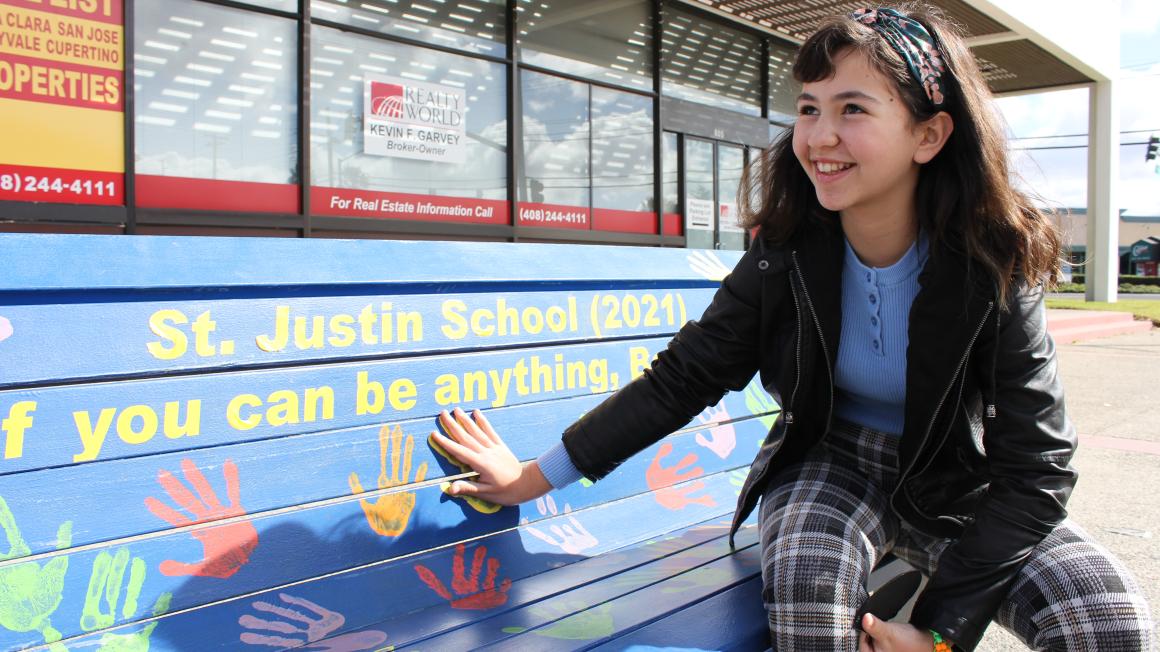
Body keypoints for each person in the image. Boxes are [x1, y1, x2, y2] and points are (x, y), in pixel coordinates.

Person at [429, 4, 1154, 651]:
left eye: (853, 109)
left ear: (929, 134)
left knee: (1108, 621)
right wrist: (531, 478)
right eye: (808, 108)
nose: (819, 136)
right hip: (828, 461)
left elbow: (1036, 470)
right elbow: (685, 378)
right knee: (811, 584)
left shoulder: (993, 260)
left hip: (955, 483)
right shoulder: (785, 251)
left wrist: (936, 631)